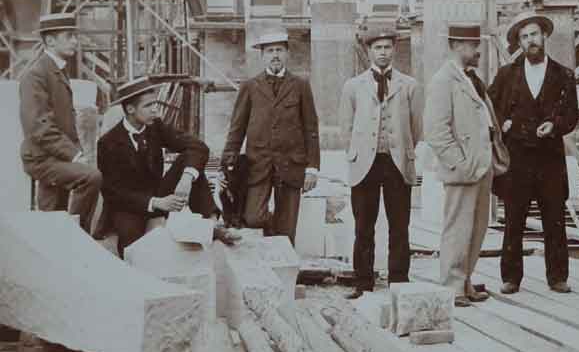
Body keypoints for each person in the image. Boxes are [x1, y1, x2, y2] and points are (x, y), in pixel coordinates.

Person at [488, 11, 579, 294]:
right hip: (517, 160)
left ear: (544, 36)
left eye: (535, 35)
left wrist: (555, 125)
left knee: (554, 217)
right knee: (514, 218)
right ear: (519, 43)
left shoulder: (563, 75)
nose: (531, 41)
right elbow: (489, 106)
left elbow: (572, 115)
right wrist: (502, 123)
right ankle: (511, 277)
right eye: (525, 37)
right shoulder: (506, 75)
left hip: (550, 159)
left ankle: (558, 276)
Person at [97, 77, 237, 257]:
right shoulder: (108, 143)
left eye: (155, 103)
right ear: (130, 109)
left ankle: (212, 223)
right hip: (129, 205)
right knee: (133, 250)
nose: (155, 109)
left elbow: (198, 146)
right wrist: (157, 203)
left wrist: (186, 179)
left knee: (190, 161)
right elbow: (113, 192)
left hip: (159, 192)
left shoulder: (155, 126)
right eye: (148, 106)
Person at [424, 24, 510, 307]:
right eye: (474, 46)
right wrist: (460, 165)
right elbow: (436, 132)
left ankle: (465, 281)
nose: (478, 52)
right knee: (458, 228)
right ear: (459, 45)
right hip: (465, 170)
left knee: (477, 227)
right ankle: (452, 286)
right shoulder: (443, 81)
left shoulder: (472, 78)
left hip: (481, 166)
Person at [339, 30, 423, 299]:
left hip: (397, 163)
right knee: (363, 225)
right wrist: (357, 152)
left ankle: (399, 280)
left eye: (387, 47)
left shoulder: (410, 85)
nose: (383, 52)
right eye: (378, 47)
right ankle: (363, 282)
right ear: (369, 51)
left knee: (400, 225)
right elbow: (346, 127)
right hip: (365, 164)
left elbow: (416, 127)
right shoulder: (353, 86)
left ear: (394, 50)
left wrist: (402, 148)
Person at [220, 30, 320, 244]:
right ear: (262, 56)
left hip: (291, 164)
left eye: (279, 50)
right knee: (253, 217)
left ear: (287, 54)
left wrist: (312, 168)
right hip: (258, 165)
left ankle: (283, 269)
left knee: (288, 226)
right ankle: (269, 241)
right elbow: (236, 128)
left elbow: (311, 129)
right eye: (270, 51)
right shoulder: (250, 86)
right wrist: (228, 162)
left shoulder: (300, 85)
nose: (275, 55)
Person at [19, 13, 101, 233]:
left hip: (54, 155)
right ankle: (75, 234)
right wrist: (74, 155)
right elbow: (38, 127)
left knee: (52, 213)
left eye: (75, 35)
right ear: (50, 41)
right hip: (42, 157)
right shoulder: (35, 75)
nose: (75, 40)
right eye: (69, 35)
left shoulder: (56, 69)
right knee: (90, 176)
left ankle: (59, 239)